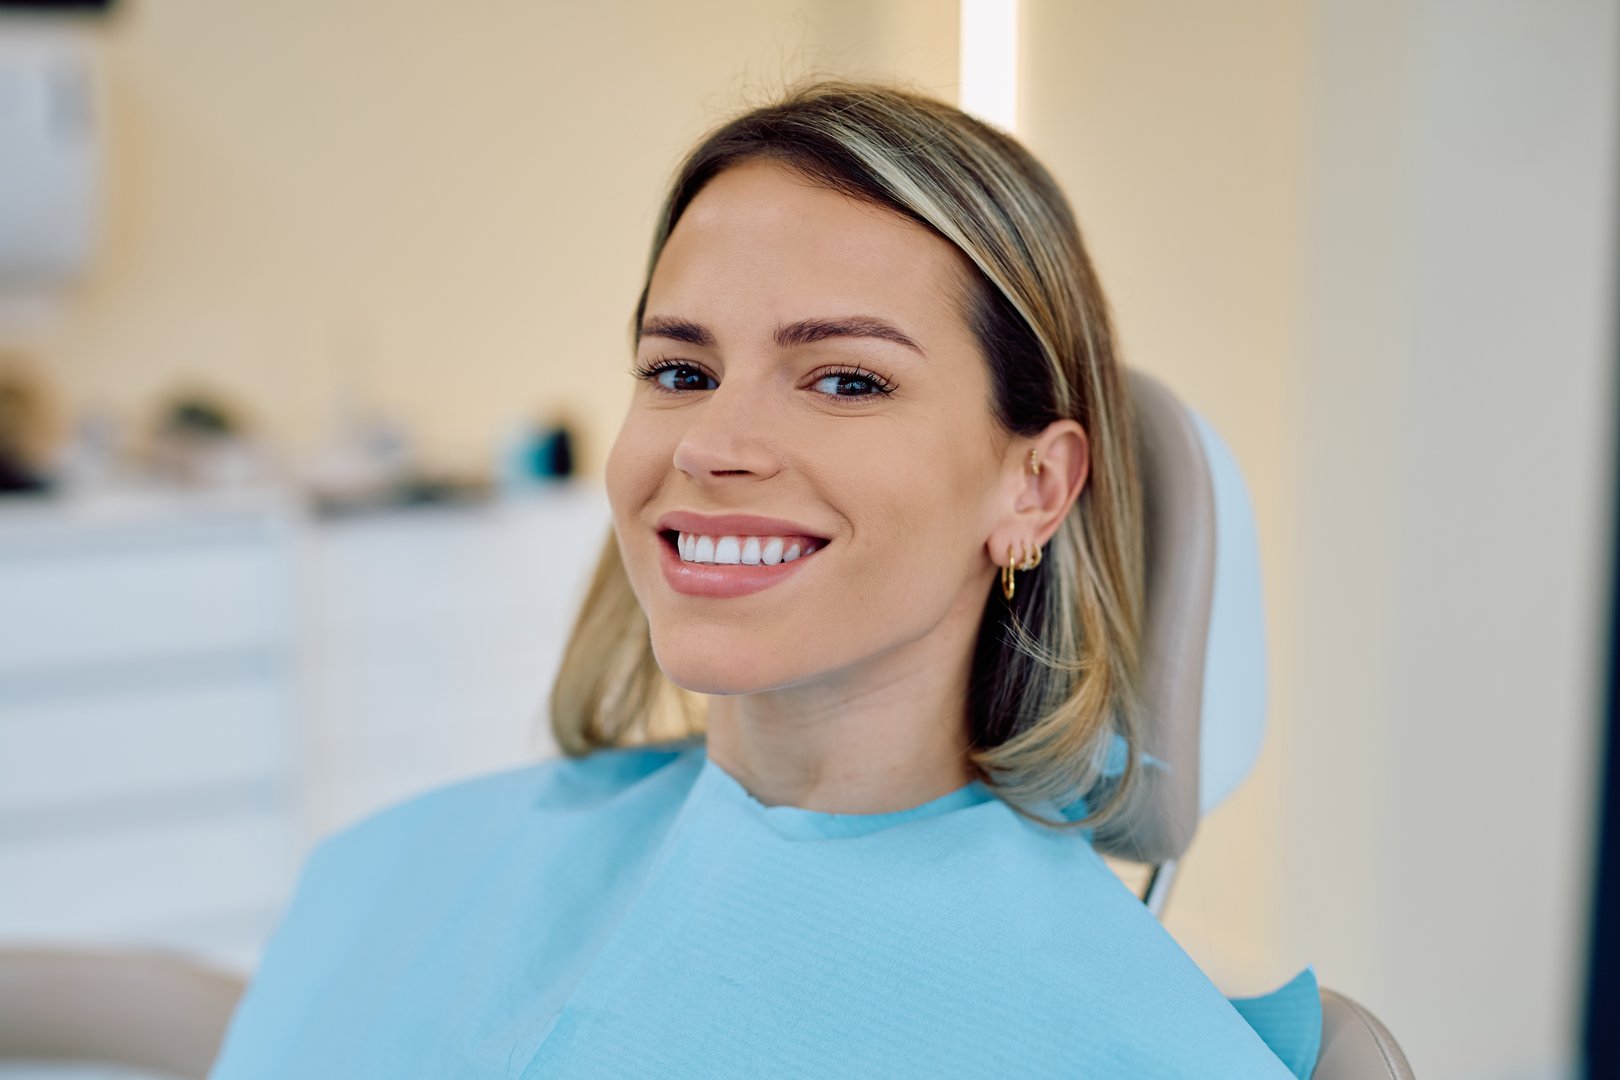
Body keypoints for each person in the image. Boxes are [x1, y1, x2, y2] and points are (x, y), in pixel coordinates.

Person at [208, 79, 1320, 1078]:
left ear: (1033, 486)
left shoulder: (1120, 1046)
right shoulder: (387, 875)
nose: (710, 443)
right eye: (680, 371)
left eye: (843, 380)